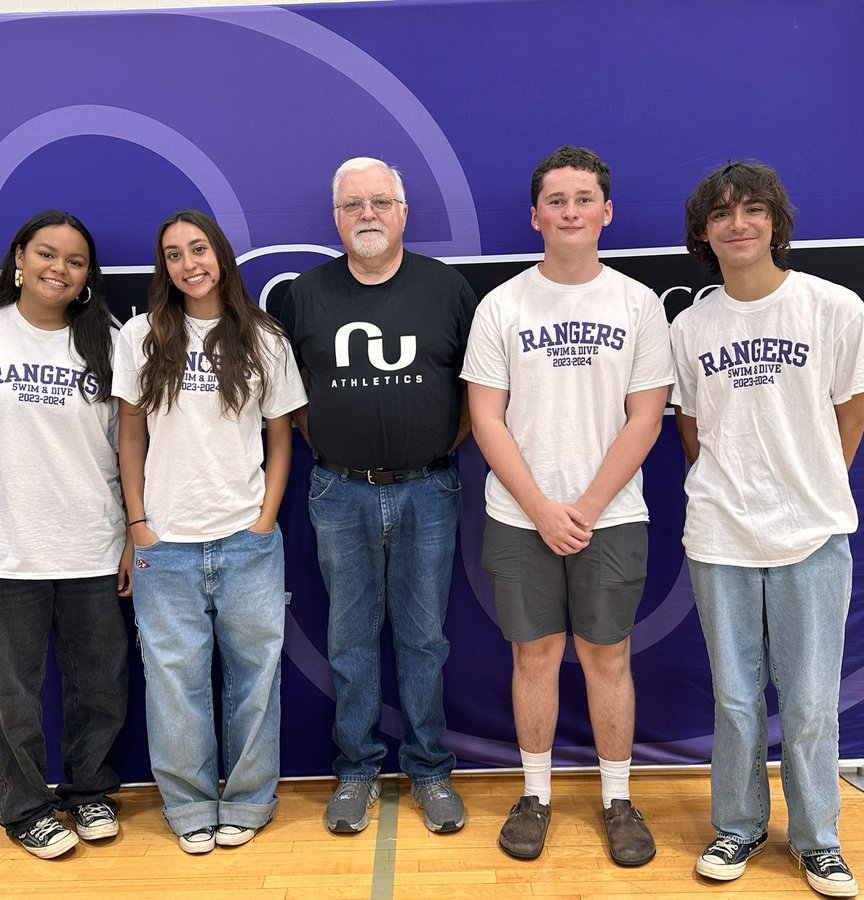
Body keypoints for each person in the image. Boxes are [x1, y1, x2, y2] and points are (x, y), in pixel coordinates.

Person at [671, 161, 864, 898]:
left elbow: (850, 416)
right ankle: (739, 826)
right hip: (721, 535)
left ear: (775, 222)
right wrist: (736, 485)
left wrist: (809, 487)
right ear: (704, 233)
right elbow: (693, 429)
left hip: (813, 535)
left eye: (752, 210)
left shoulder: (833, 308)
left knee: (811, 702)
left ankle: (819, 841)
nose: (738, 224)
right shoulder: (690, 327)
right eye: (722, 214)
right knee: (735, 699)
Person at [462, 146, 673, 866]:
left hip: (610, 516)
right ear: (535, 216)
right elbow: (486, 418)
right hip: (520, 516)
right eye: (557, 200)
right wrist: (542, 508)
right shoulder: (502, 305)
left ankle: (618, 797)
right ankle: (536, 795)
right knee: (535, 656)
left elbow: (646, 417)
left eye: (584, 199)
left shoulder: (638, 304)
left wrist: (582, 505)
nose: (570, 211)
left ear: (606, 212)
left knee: (607, 656)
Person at [0, 210, 130, 859]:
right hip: (0, 550)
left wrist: (130, 535)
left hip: (91, 546)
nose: (58, 268)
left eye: (74, 261)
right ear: (18, 259)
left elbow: (128, 449)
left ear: (87, 276)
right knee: (11, 695)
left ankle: (89, 790)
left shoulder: (108, 342)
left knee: (100, 685)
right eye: (46, 253)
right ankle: (27, 808)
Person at [279, 157, 478, 835]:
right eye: (353, 205)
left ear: (403, 212)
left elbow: (476, 392)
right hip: (340, 491)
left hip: (430, 489)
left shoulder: (447, 290)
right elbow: (291, 396)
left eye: (380, 202)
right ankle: (358, 770)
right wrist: (341, 450)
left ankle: (430, 770)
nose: (367, 214)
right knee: (350, 640)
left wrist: (433, 450)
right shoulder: (303, 296)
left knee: (424, 639)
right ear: (336, 218)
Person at [114, 210, 305, 854]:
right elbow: (130, 435)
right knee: (174, 683)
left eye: (198, 249)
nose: (188, 264)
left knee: (256, 680)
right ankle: (189, 804)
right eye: (173, 254)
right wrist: (139, 524)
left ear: (219, 255)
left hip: (247, 540)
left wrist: (265, 518)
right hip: (164, 545)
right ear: (163, 267)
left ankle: (248, 801)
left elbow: (281, 438)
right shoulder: (141, 336)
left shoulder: (264, 338)